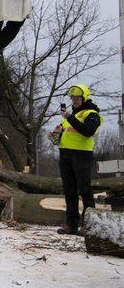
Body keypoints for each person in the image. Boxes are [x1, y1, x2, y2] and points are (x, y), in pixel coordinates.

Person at [55, 84, 102, 235]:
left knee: (85, 190)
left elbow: (87, 131)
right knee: (69, 190)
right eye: (72, 98)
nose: (74, 100)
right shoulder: (69, 116)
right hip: (65, 155)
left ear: (84, 97)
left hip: (82, 155)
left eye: (77, 97)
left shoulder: (92, 113)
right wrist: (56, 136)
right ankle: (71, 224)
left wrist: (69, 117)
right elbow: (66, 133)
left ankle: (89, 225)